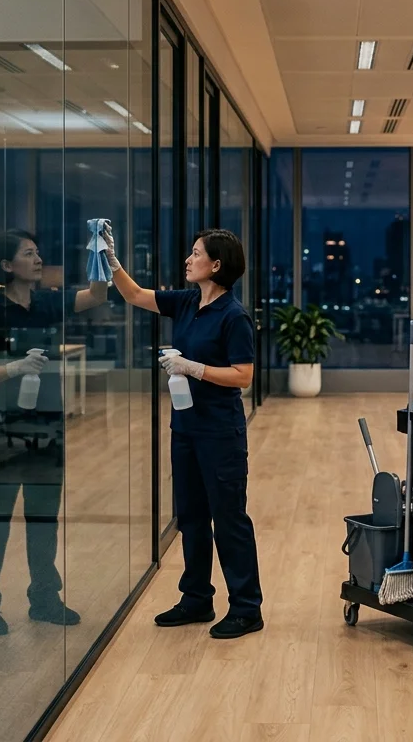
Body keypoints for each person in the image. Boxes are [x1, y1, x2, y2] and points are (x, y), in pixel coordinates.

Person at [100, 223, 264, 640]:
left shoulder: (234, 316)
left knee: (229, 519)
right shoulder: (188, 302)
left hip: (220, 433)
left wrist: (193, 368)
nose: (188, 260)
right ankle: (196, 599)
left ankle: (246, 609)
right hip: (186, 428)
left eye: (195, 254)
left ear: (216, 264)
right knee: (191, 516)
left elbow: (243, 375)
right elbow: (136, 295)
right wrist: (112, 261)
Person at [0, 230, 108, 636]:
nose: (39, 258)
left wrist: (98, 251)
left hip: (47, 426)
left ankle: (44, 598)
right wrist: (13, 368)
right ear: (7, 266)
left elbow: (96, 295)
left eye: (38, 251)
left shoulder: (48, 302)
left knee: (43, 519)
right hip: (2, 428)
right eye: (29, 253)